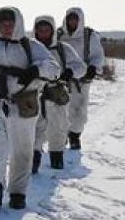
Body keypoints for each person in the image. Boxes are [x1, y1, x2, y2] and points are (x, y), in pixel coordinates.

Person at [0, 7, 59, 209]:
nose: (7, 27)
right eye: (3, 24)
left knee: (22, 151)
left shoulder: (31, 47)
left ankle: (18, 192)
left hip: (22, 105)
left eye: (10, 23)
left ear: (18, 23)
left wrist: (36, 70)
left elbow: (54, 69)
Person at [32, 15, 86, 172]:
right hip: (33, 96)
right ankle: (33, 161)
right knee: (34, 130)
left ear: (52, 30)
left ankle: (57, 158)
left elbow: (81, 67)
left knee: (59, 129)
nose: (43, 33)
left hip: (56, 96)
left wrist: (70, 71)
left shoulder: (63, 49)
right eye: (40, 30)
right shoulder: (29, 49)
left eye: (46, 30)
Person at [57, 7, 105, 150]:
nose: (72, 22)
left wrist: (93, 68)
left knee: (80, 111)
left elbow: (98, 55)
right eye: (70, 19)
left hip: (82, 81)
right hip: (63, 79)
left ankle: (75, 135)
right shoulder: (58, 34)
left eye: (75, 19)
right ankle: (62, 135)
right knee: (62, 110)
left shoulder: (89, 35)